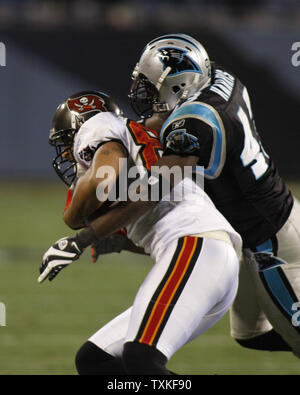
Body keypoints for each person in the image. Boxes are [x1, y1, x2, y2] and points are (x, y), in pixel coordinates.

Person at [39, 89, 242, 375]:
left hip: (198, 246)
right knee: (96, 361)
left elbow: (103, 177)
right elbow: (152, 211)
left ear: (79, 127)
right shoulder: (124, 135)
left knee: (141, 358)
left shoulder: (97, 127)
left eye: (65, 142)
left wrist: (78, 230)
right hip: (204, 256)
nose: (64, 153)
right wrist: (121, 241)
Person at [126, 33, 300, 356]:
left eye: (153, 87)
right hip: (261, 226)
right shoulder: (217, 77)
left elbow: (156, 187)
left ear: (179, 84)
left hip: (271, 243)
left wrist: (106, 212)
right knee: (249, 334)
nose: (146, 95)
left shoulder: (195, 122)